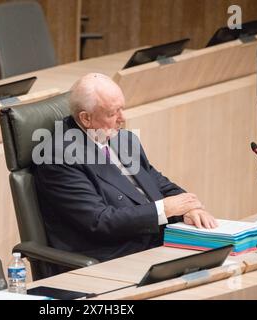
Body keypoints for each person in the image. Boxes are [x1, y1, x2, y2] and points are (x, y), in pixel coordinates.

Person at [33, 73, 217, 269]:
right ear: (86, 118)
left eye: (123, 109)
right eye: (113, 113)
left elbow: (158, 183)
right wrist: (165, 209)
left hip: (155, 244)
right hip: (111, 258)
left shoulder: (122, 139)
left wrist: (189, 208)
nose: (123, 119)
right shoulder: (60, 156)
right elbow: (100, 221)